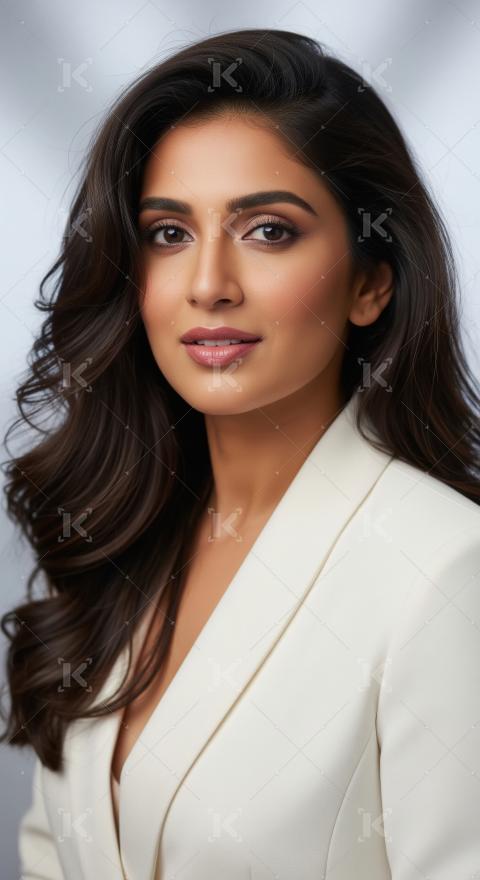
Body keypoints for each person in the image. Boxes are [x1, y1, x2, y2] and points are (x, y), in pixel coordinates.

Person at [2, 27, 480, 880]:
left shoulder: (446, 565)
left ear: (372, 280)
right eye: (168, 233)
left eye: (267, 230)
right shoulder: (125, 535)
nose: (209, 283)